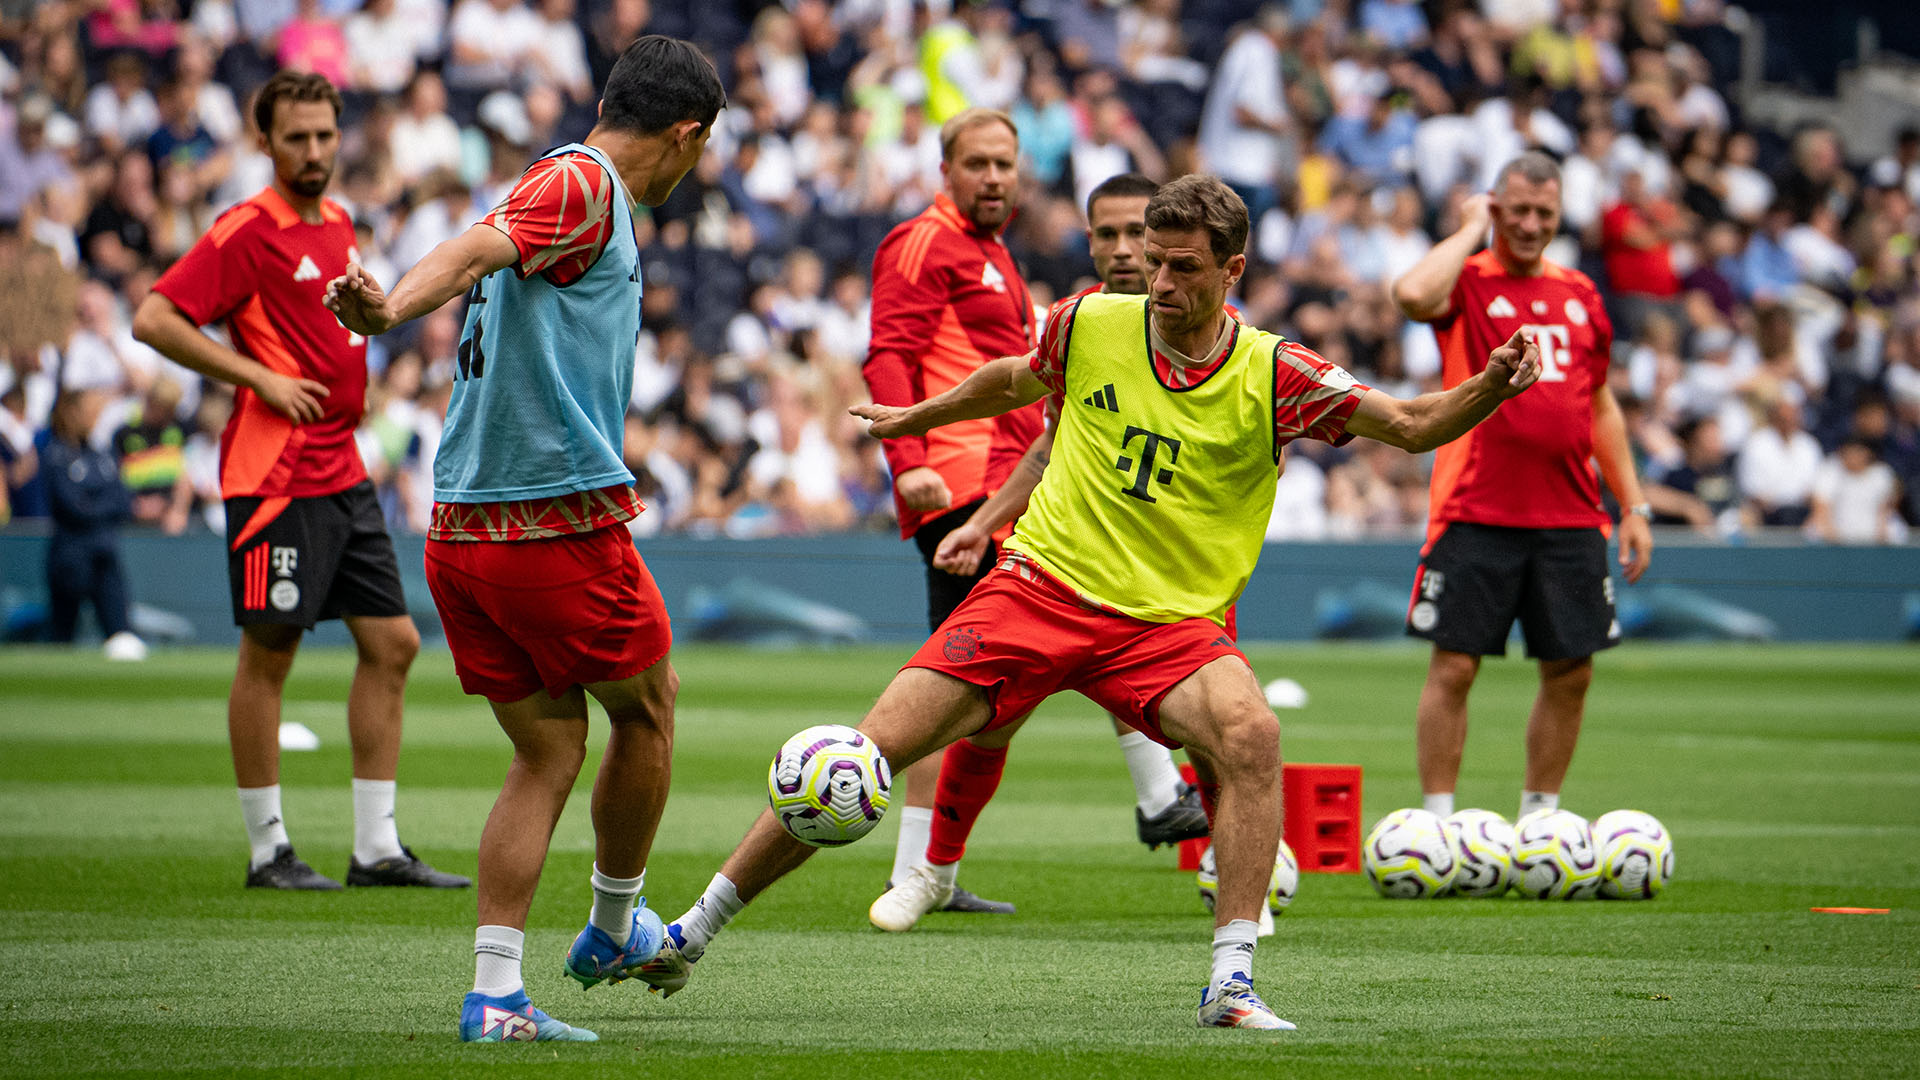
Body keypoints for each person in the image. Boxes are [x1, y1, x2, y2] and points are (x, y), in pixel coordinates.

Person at [635, 174, 1542, 1029]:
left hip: (1163, 628)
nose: (1160, 281)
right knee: (857, 761)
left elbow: (1415, 425)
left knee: (1252, 736)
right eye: (1153, 259)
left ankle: (1231, 980)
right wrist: (919, 420)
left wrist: (1492, 386)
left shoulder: (1278, 373)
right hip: (1038, 591)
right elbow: (1012, 379)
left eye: (1185, 267)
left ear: (1233, 270)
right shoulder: (1088, 322)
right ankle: (689, 934)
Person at [324, 35, 725, 1044]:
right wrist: (387, 310)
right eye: (701, 149)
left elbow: (485, 245)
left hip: (460, 526)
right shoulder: (586, 185)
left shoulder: (560, 179)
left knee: (547, 751)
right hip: (550, 518)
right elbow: (469, 248)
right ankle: (613, 926)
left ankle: (495, 995)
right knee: (651, 708)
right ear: (686, 135)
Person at [132, 71, 465, 894]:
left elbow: (334, 328)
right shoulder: (245, 229)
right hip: (274, 473)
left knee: (394, 644)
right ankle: (268, 850)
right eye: (297, 138)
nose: (314, 151)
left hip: (342, 466)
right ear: (265, 142)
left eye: (324, 136)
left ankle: (376, 849)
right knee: (269, 652)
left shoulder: (341, 222)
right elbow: (155, 317)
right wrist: (256, 377)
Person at [869, 173, 1210, 935]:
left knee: (1220, 712)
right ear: (1088, 240)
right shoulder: (1084, 324)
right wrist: (981, 519)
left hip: (1174, 555)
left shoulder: (1206, 328)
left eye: (1138, 236)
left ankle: (1222, 849)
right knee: (978, 711)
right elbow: (1048, 444)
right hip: (1057, 553)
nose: (1124, 252)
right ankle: (926, 871)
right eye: (1108, 235)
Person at [1389, 152, 1653, 824]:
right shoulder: (1470, 279)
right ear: (1497, 207)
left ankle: (1541, 822)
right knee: (1454, 668)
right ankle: (1439, 824)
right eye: (1519, 211)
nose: (1532, 225)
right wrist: (1472, 227)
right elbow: (1413, 296)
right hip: (1476, 505)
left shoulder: (1581, 293)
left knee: (1572, 671)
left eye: (1545, 213)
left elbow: (1599, 405)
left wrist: (1635, 504)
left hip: (1571, 514)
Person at [859, 106, 1036, 919]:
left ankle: (924, 871)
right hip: (961, 492)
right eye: (978, 164)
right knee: (962, 683)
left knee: (974, 685)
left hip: (1000, 491)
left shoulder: (991, 253)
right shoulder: (924, 241)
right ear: (947, 170)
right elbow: (890, 354)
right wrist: (911, 465)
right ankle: (916, 873)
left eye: (1004, 163)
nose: (993, 177)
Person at [42, 388, 145, 661]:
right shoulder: (57, 454)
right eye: (89, 411)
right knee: (62, 634)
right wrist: (100, 503)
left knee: (120, 632)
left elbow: (123, 501)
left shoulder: (103, 454)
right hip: (70, 554)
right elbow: (73, 506)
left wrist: (94, 502)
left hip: (105, 551)